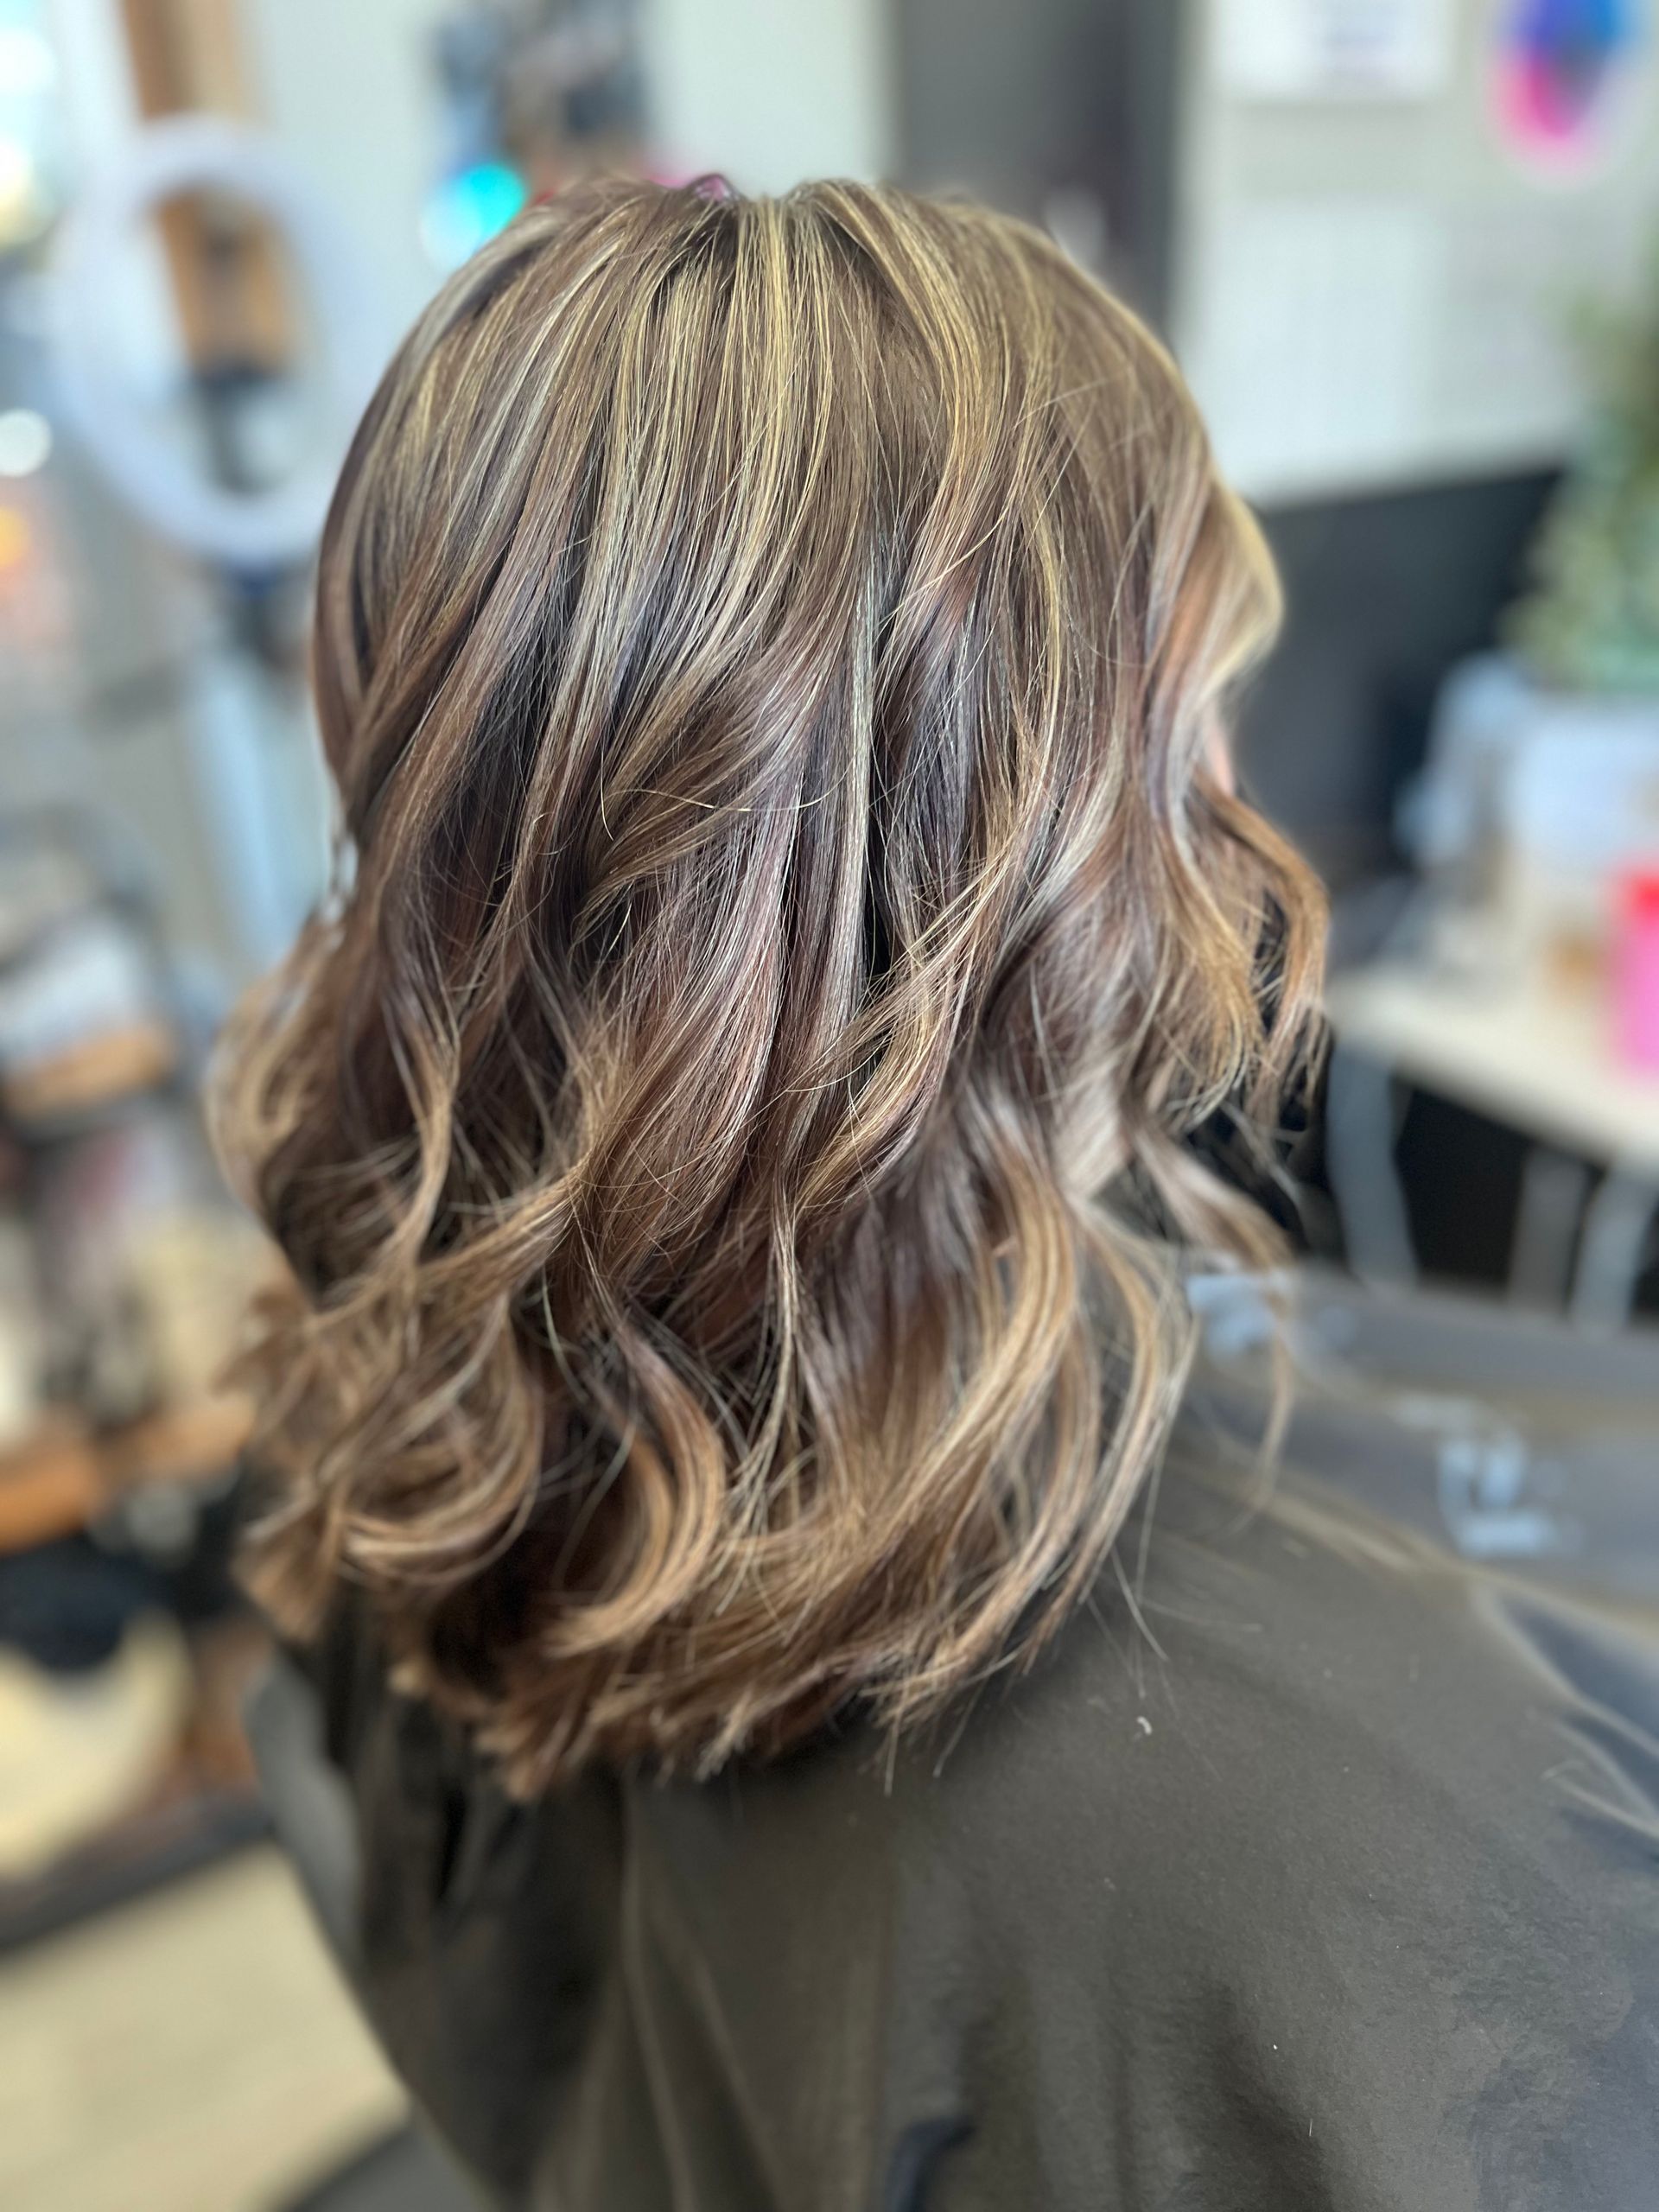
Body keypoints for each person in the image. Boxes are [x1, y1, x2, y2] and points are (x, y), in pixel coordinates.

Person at [220, 180, 1659, 2209]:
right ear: (1009, 872)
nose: (1233, 815)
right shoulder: (1413, 1872)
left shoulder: (382, 1411)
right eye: (1179, 732)